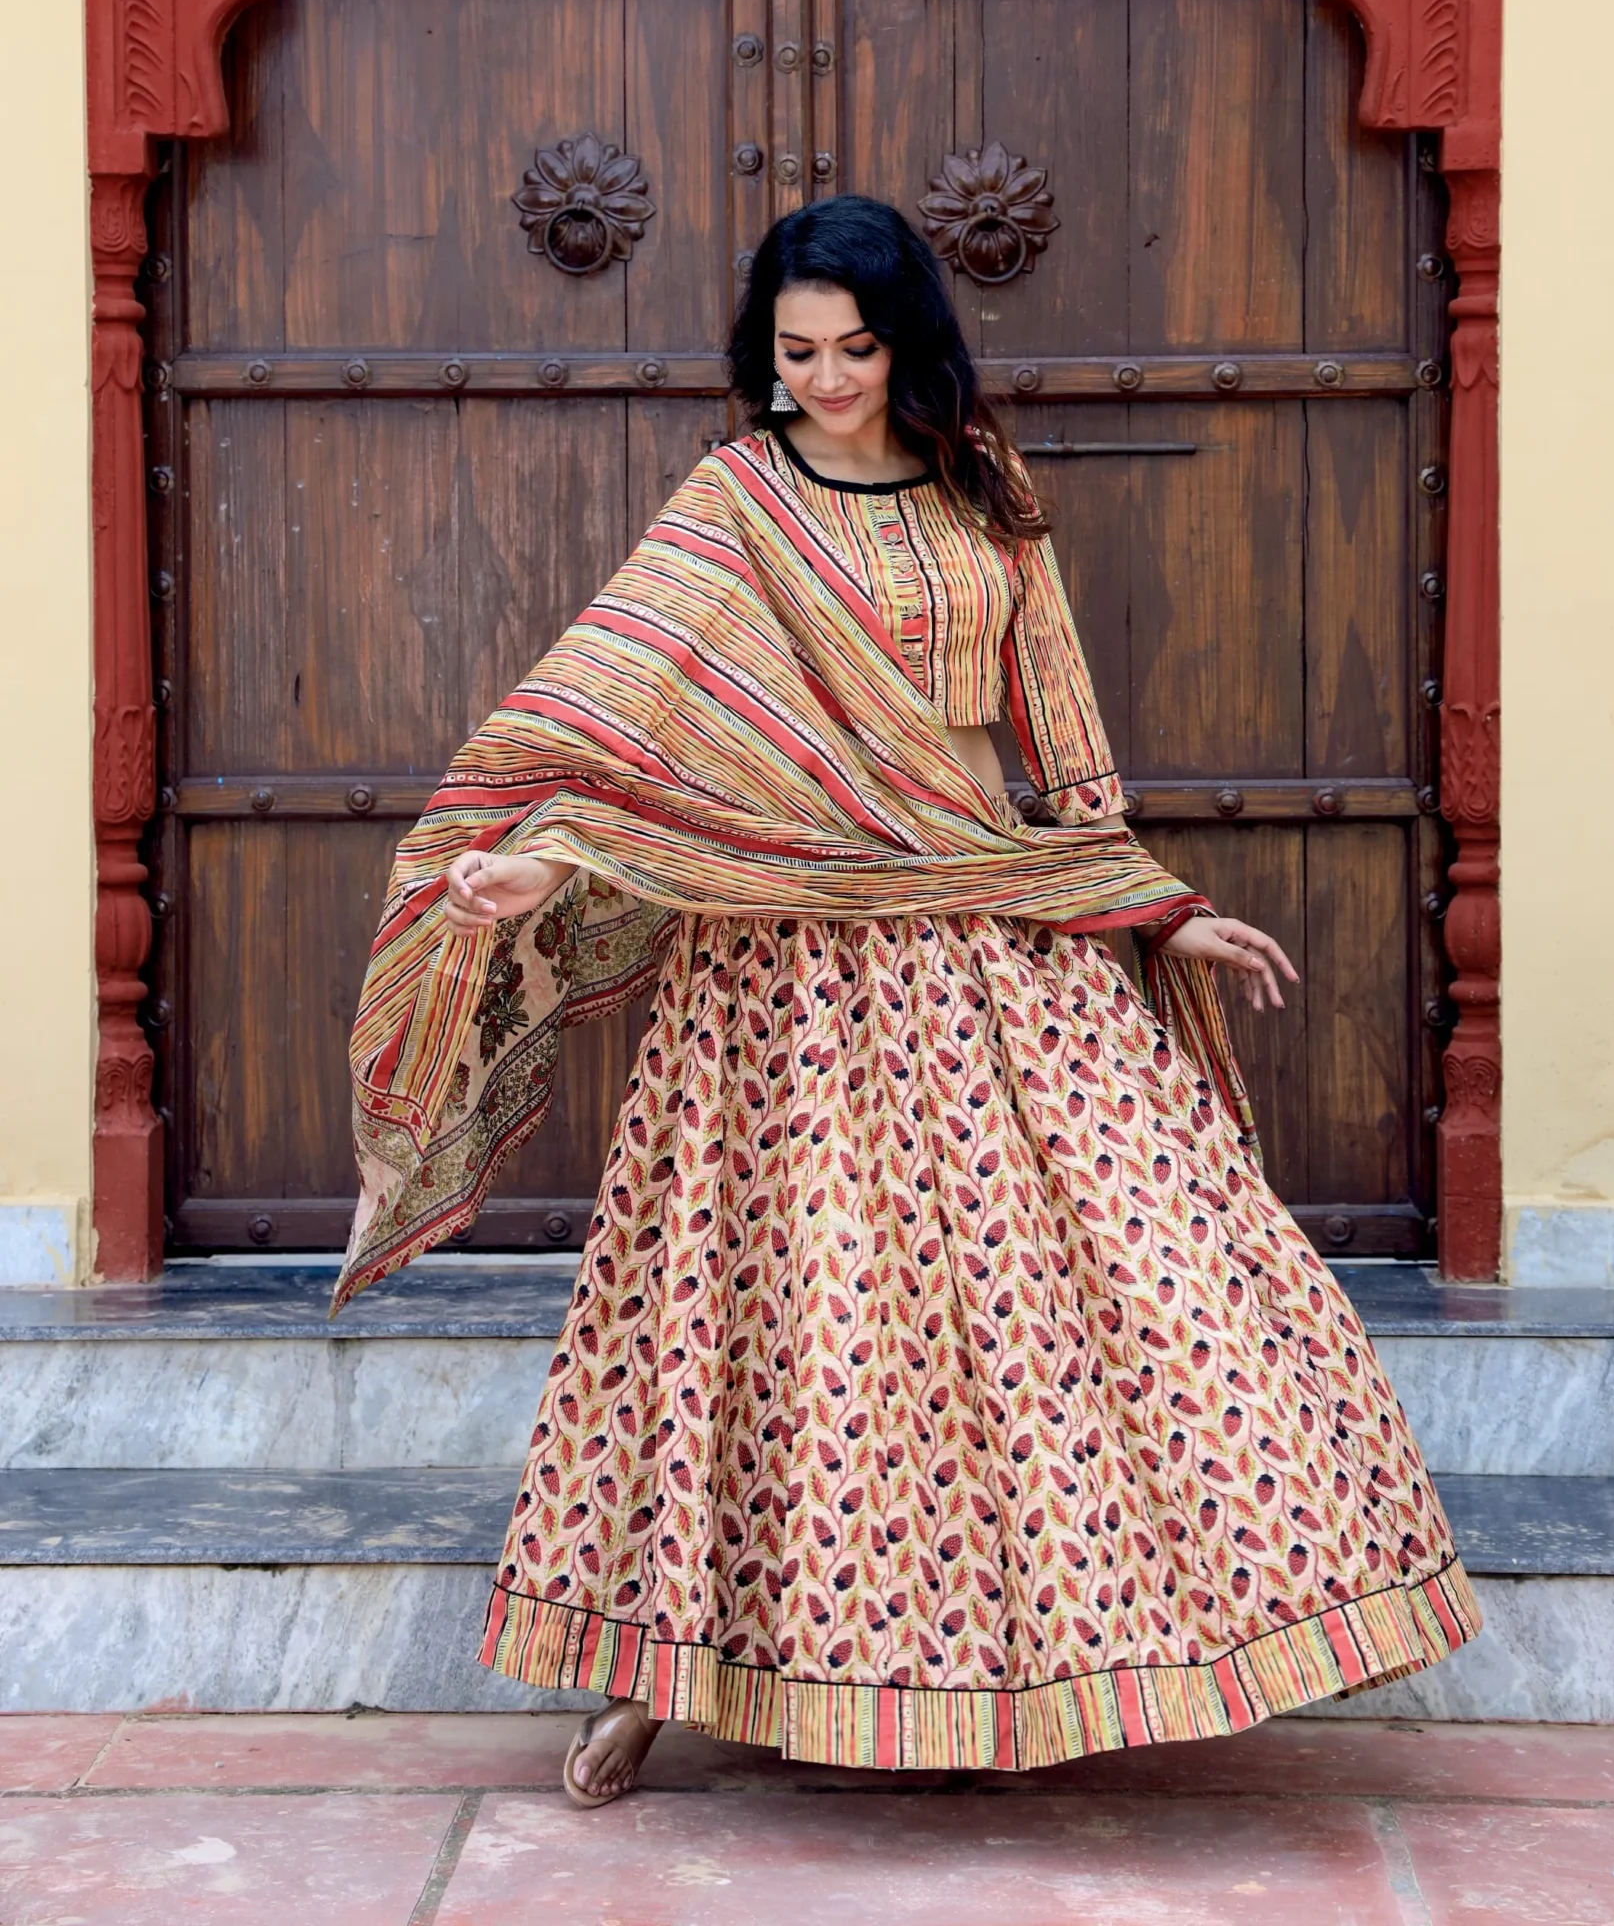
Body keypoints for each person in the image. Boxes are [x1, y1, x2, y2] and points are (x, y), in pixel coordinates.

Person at [337, 197, 1478, 1806]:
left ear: (906, 339)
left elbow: (1059, 746)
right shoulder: (730, 503)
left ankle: (1001, 1682)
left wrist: (1159, 907)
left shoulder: (983, 497)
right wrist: (540, 857)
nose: (824, 381)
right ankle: (653, 1685)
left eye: (853, 349)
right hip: (777, 980)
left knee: (1075, 1307)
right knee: (735, 1321)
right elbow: (625, 722)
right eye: (794, 353)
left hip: (977, 940)